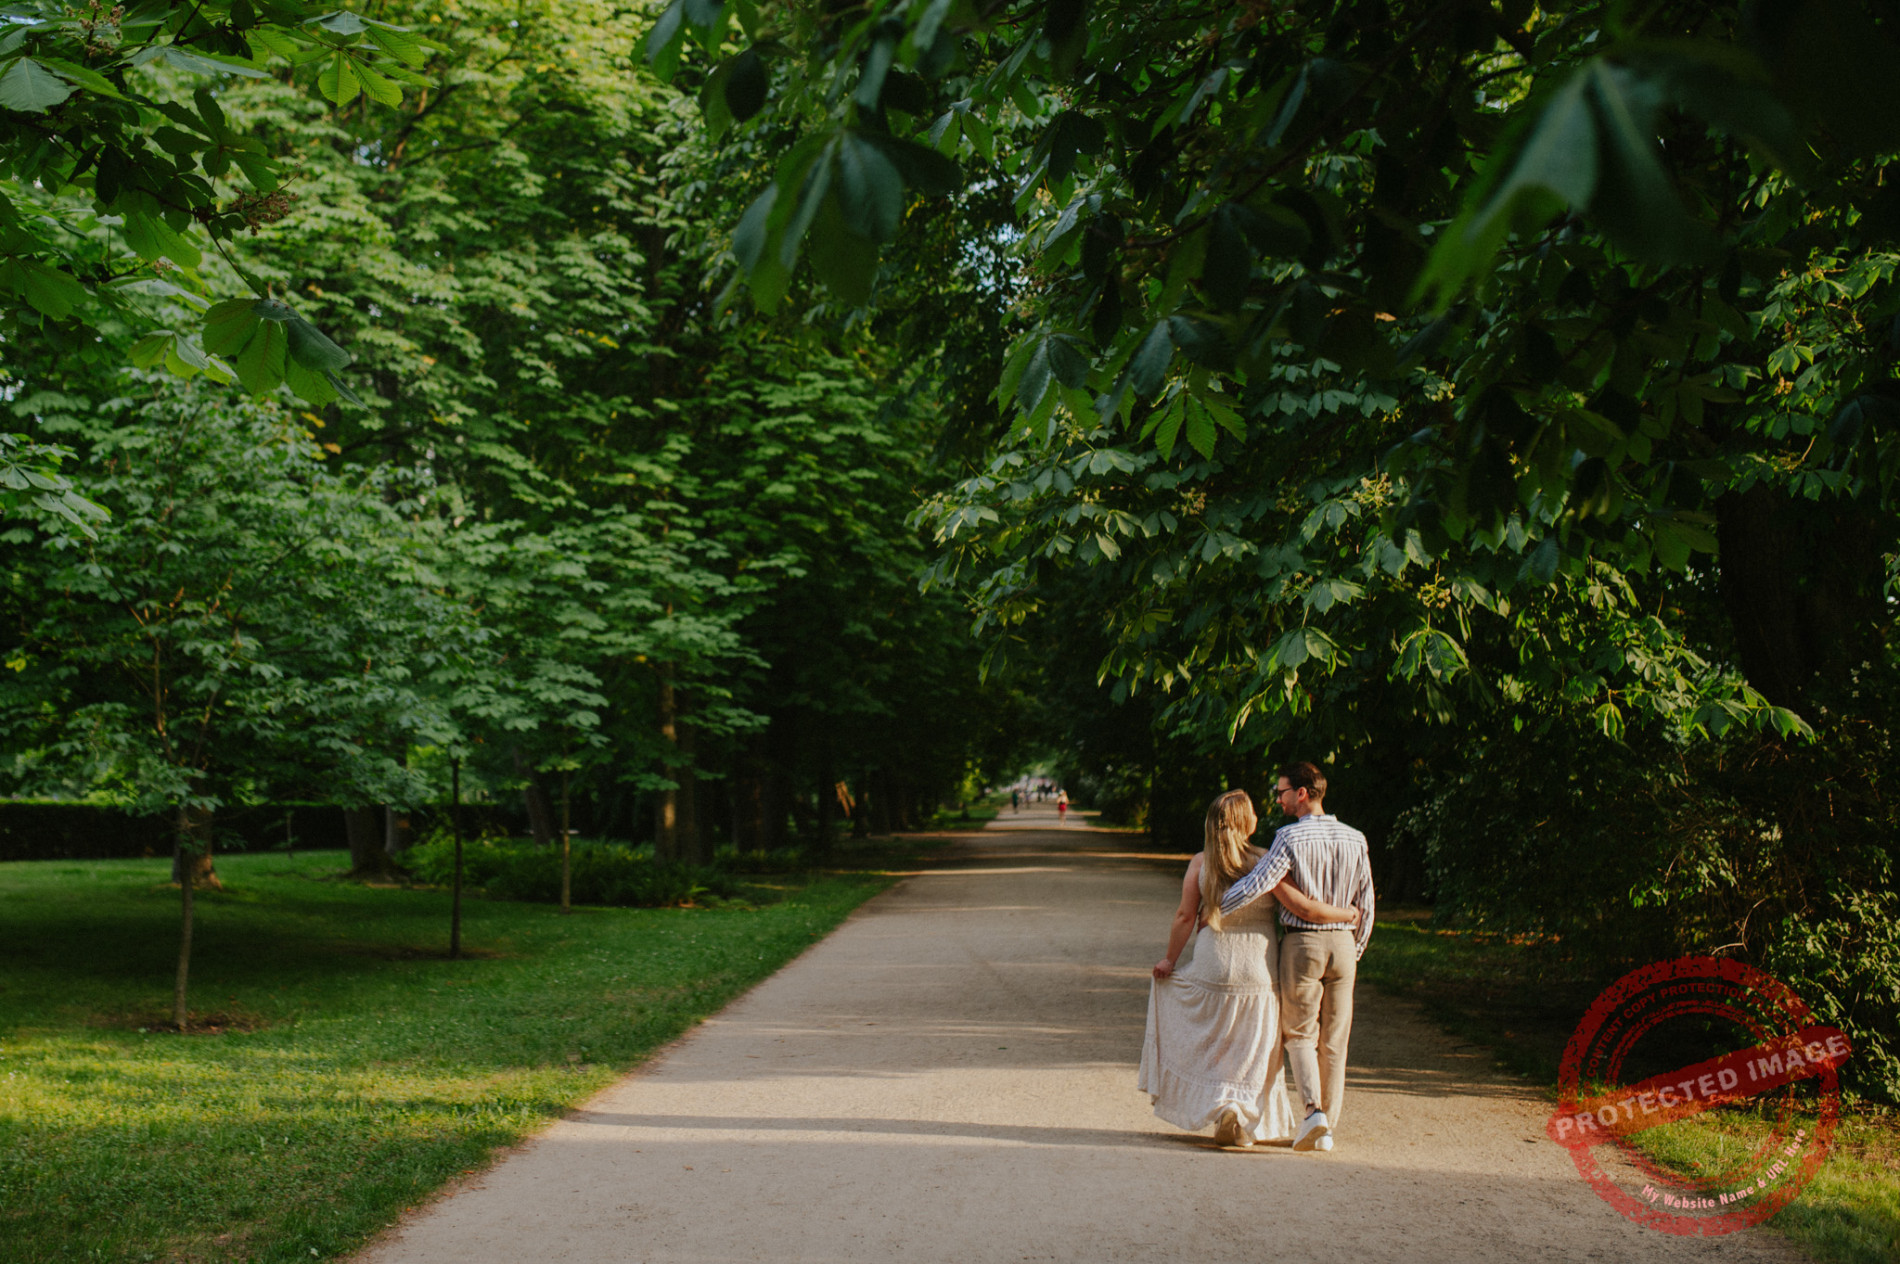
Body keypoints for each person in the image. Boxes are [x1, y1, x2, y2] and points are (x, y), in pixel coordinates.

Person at [1139, 790, 1361, 1148]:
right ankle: (1241, 1116)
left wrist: (1169, 961)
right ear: (1247, 822)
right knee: (1253, 1045)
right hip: (1258, 966)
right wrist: (1348, 915)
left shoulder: (1201, 863)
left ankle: (1220, 1104)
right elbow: (1301, 905)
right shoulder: (1266, 861)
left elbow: (1184, 916)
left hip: (1215, 959)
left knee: (1213, 1038)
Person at [1220, 762, 1374, 1153]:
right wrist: (1353, 949)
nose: (1278, 798)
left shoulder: (1289, 838)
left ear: (1302, 793)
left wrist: (1218, 908)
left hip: (1303, 943)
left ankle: (1312, 1114)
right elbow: (1367, 904)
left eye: (1282, 791)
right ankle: (1327, 1128)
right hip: (1344, 944)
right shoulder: (1356, 838)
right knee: (1336, 1040)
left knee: (1301, 1034)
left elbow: (1259, 883)